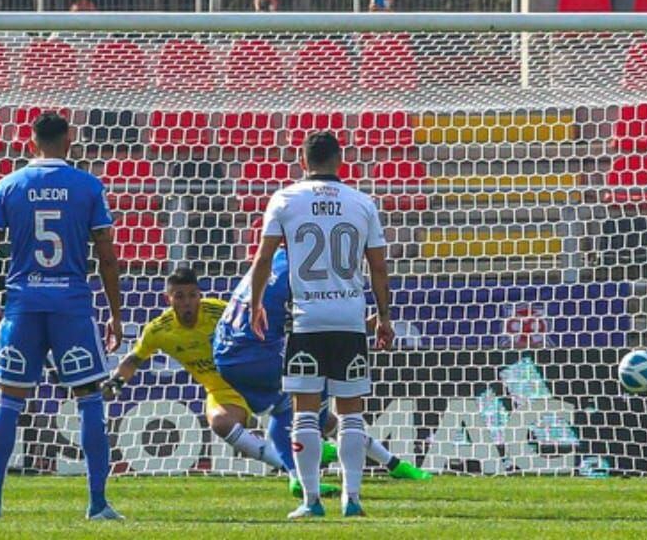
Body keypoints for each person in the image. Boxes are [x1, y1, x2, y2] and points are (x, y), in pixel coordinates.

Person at [0, 112, 124, 521]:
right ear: (69, 138)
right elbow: (107, 257)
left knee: (8, 400)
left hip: (22, 304)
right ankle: (97, 504)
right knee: (89, 398)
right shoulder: (88, 186)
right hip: (71, 305)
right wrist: (115, 315)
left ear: (30, 141)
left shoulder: (8, 185)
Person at [249, 131, 392, 519]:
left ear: (302, 159)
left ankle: (312, 501)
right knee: (351, 413)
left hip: (307, 319)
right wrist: (384, 317)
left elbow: (263, 260)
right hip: (349, 318)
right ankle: (353, 498)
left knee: (305, 412)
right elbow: (378, 267)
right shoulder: (362, 202)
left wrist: (257, 303)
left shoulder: (285, 199)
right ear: (340, 160)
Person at [101, 266, 336, 498]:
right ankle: (291, 468)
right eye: (180, 296)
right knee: (221, 422)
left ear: (199, 295)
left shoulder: (219, 312)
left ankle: (354, 449)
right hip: (220, 391)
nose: (187, 302)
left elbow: (253, 323)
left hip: (249, 378)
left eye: (192, 295)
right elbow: (134, 359)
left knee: (319, 418)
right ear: (168, 298)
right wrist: (117, 382)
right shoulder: (159, 330)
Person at [215, 246, 429, 499]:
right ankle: (307, 470)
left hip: (226, 353)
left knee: (298, 409)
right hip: (256, 356)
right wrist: (363, 324)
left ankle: (392, 464)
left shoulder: (274, 259)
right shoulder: (302, 271)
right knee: (311, 397)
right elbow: (317, 320)